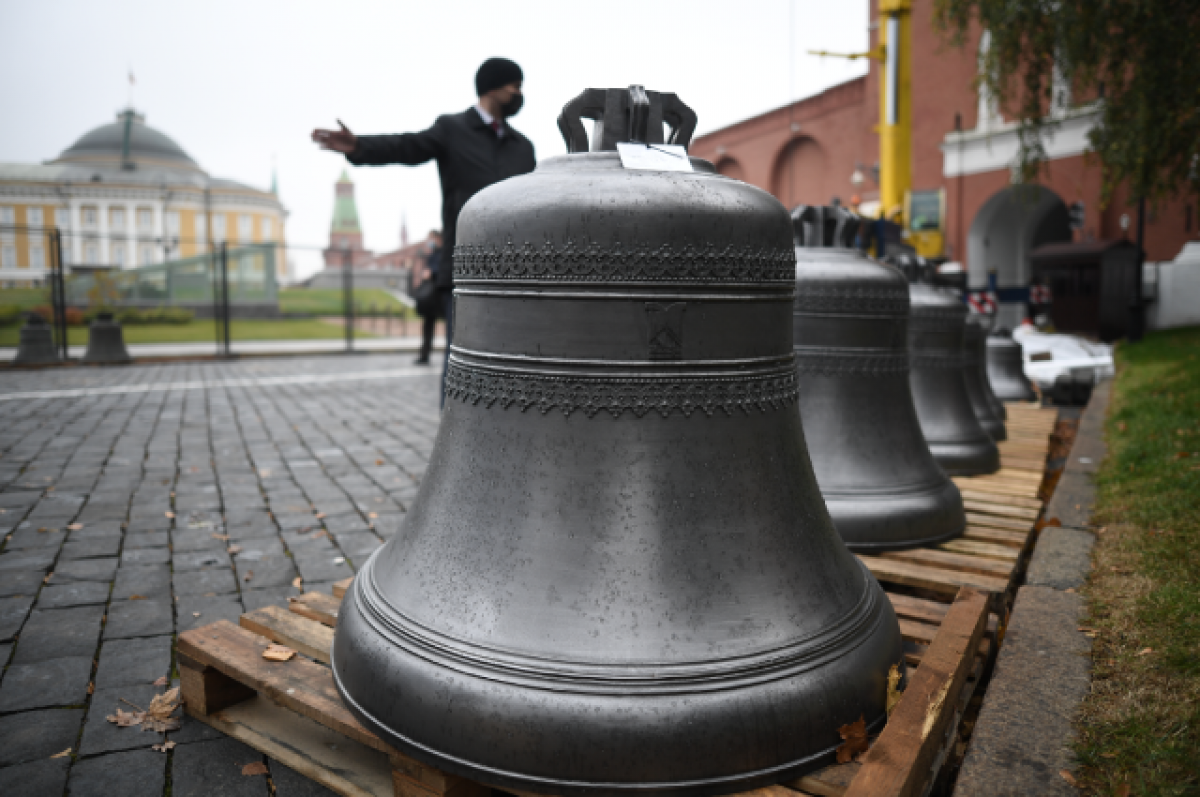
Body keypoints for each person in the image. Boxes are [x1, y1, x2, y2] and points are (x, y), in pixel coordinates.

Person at [313, 57, 536, 403]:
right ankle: (454, 443)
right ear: (492, 86)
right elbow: (407, 146)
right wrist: (359, 147)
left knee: (515, 363)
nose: (519, 94)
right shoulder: (453, 129)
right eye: (515, 86)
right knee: (461, 363)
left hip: (514, 272)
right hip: (465, 266)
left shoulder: (524, 148)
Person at [413, 231, 442, 365]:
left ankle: (426, 354)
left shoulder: (440, 253)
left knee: (430, 325)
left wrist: (429, 273)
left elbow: (435, 271)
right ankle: (424, 354)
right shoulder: (432, 254)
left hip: (438, 295)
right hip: (432, 296)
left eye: (431, 239)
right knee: (428, 326)